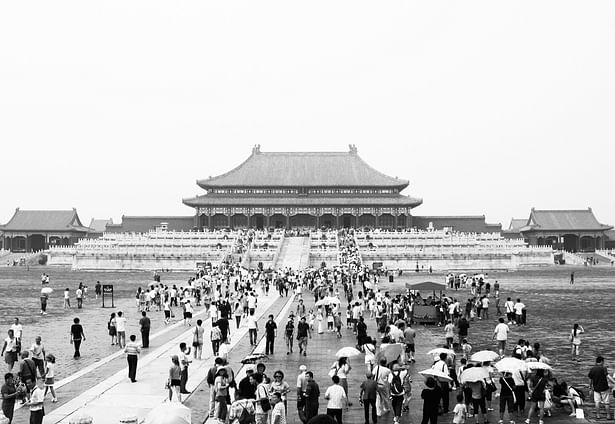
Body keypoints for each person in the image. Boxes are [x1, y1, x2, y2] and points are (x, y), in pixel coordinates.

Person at [588, 356, 613, 420]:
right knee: (606, 402)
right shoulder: (603, 368)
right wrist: (614, 382)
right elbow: (608, 376)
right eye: (603, 361)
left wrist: (590, 387)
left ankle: (598, 415)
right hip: (604, 388)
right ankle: (608, 415)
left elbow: (590, 379)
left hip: (596, 388)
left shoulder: (592, 369)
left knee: (597, 402)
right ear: (601, 361)